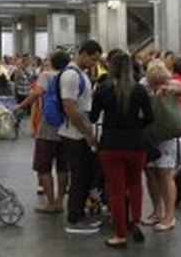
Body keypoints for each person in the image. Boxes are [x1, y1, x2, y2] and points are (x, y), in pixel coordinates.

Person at [90, 50, 153, 248]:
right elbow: (150, 117)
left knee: (115, 190)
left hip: (111, 145)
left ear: (111, 67)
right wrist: (136, 126)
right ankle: (136, 221)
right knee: (135, 184)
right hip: (136, 144)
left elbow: (93, 117)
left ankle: (120, 234)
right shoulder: (139, 90)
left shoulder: (102, 89)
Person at [15, 52, 70, 213]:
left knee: (43, 165)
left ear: (52, 62)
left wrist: (20, 106)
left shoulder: (46, 75)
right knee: (63, 166)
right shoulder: (71, 75)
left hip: (49, 124)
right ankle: (60, 201)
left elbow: (36, 93)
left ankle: (50, 202)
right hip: (67, 125)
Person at [142, 63, 181, 232]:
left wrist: (171, 88)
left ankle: (169, 215)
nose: (159, 86)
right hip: (149, 136)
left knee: (165, 174)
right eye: (156, 82)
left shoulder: (170, 84)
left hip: (167, 136)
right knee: (150, 173)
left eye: (162, 81)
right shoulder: (143, 85)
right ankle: (157, 211)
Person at [60, 40, 102, 234]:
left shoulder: (80, 74)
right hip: (75, 135)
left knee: (84, 176)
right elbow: (70, 108)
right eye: (93, 59)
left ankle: (79, 214)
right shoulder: (71, 75)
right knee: (79, 176)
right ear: (83, 53)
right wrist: (87, 133)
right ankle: (74, 219)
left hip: (80, 133)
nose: (95, 63)